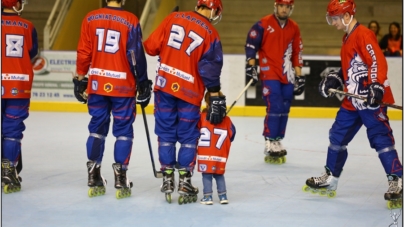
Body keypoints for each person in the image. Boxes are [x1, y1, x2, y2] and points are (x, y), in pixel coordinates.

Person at [304, 0, 403, 209]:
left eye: (335, 18)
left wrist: (376, 86)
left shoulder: (364, 34)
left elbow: (376, 61)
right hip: (353, 98)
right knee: (337, 135)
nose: (333, 22)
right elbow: (349, 68)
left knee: (380, 137)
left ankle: (397, 180)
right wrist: (335, 79)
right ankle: (331, 177)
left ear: (347, 16)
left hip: (370, 98)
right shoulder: (347, 37)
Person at [143, 0, 226, 204]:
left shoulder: (173, 17)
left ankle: (168, 178)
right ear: (214, 9)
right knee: (189, 136)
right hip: (190, 92)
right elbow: (210, 69)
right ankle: (185, 181)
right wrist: (214, 93)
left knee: (165, 133)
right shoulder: (211, 33)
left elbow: (151, 47)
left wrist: (166, 23)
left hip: (164, 86)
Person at [74, 0, 152, 199]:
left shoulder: (90, 17)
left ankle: (93, 175)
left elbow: (84, 52)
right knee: (123, 131)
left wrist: (80, 78)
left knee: (96, 128)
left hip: (98, 84)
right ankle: (120, 177)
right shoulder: (130, 20)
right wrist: (142, 80)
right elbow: (135, 54)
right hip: (123, 86)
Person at [244, 0, 304, 164]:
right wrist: (251, 66)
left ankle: (278, 139)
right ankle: (269, 140)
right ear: (275, 6)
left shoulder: (294, 27)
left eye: (287, 7)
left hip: (287, 74)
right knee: (275, 105)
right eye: (281, 6)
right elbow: (251, 45)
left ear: (291, 8)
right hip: (269, 72)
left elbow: (297, 52)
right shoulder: (263, 24)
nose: (284, 9)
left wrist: (299, 76)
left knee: (285, 107)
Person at [1, 0, 38, 193]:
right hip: (18, 85)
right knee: (12, 130)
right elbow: (32, 52)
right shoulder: (28, 26)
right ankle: (8, 170)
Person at [197, 91, 236, 205]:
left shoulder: (201, 117)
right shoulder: (227, 120)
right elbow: (232, 134)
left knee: (207, 175)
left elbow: (195, 131)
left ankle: (208, 196)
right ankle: (223, 196)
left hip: (205, 154)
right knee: (219, 175)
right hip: (220, 154)